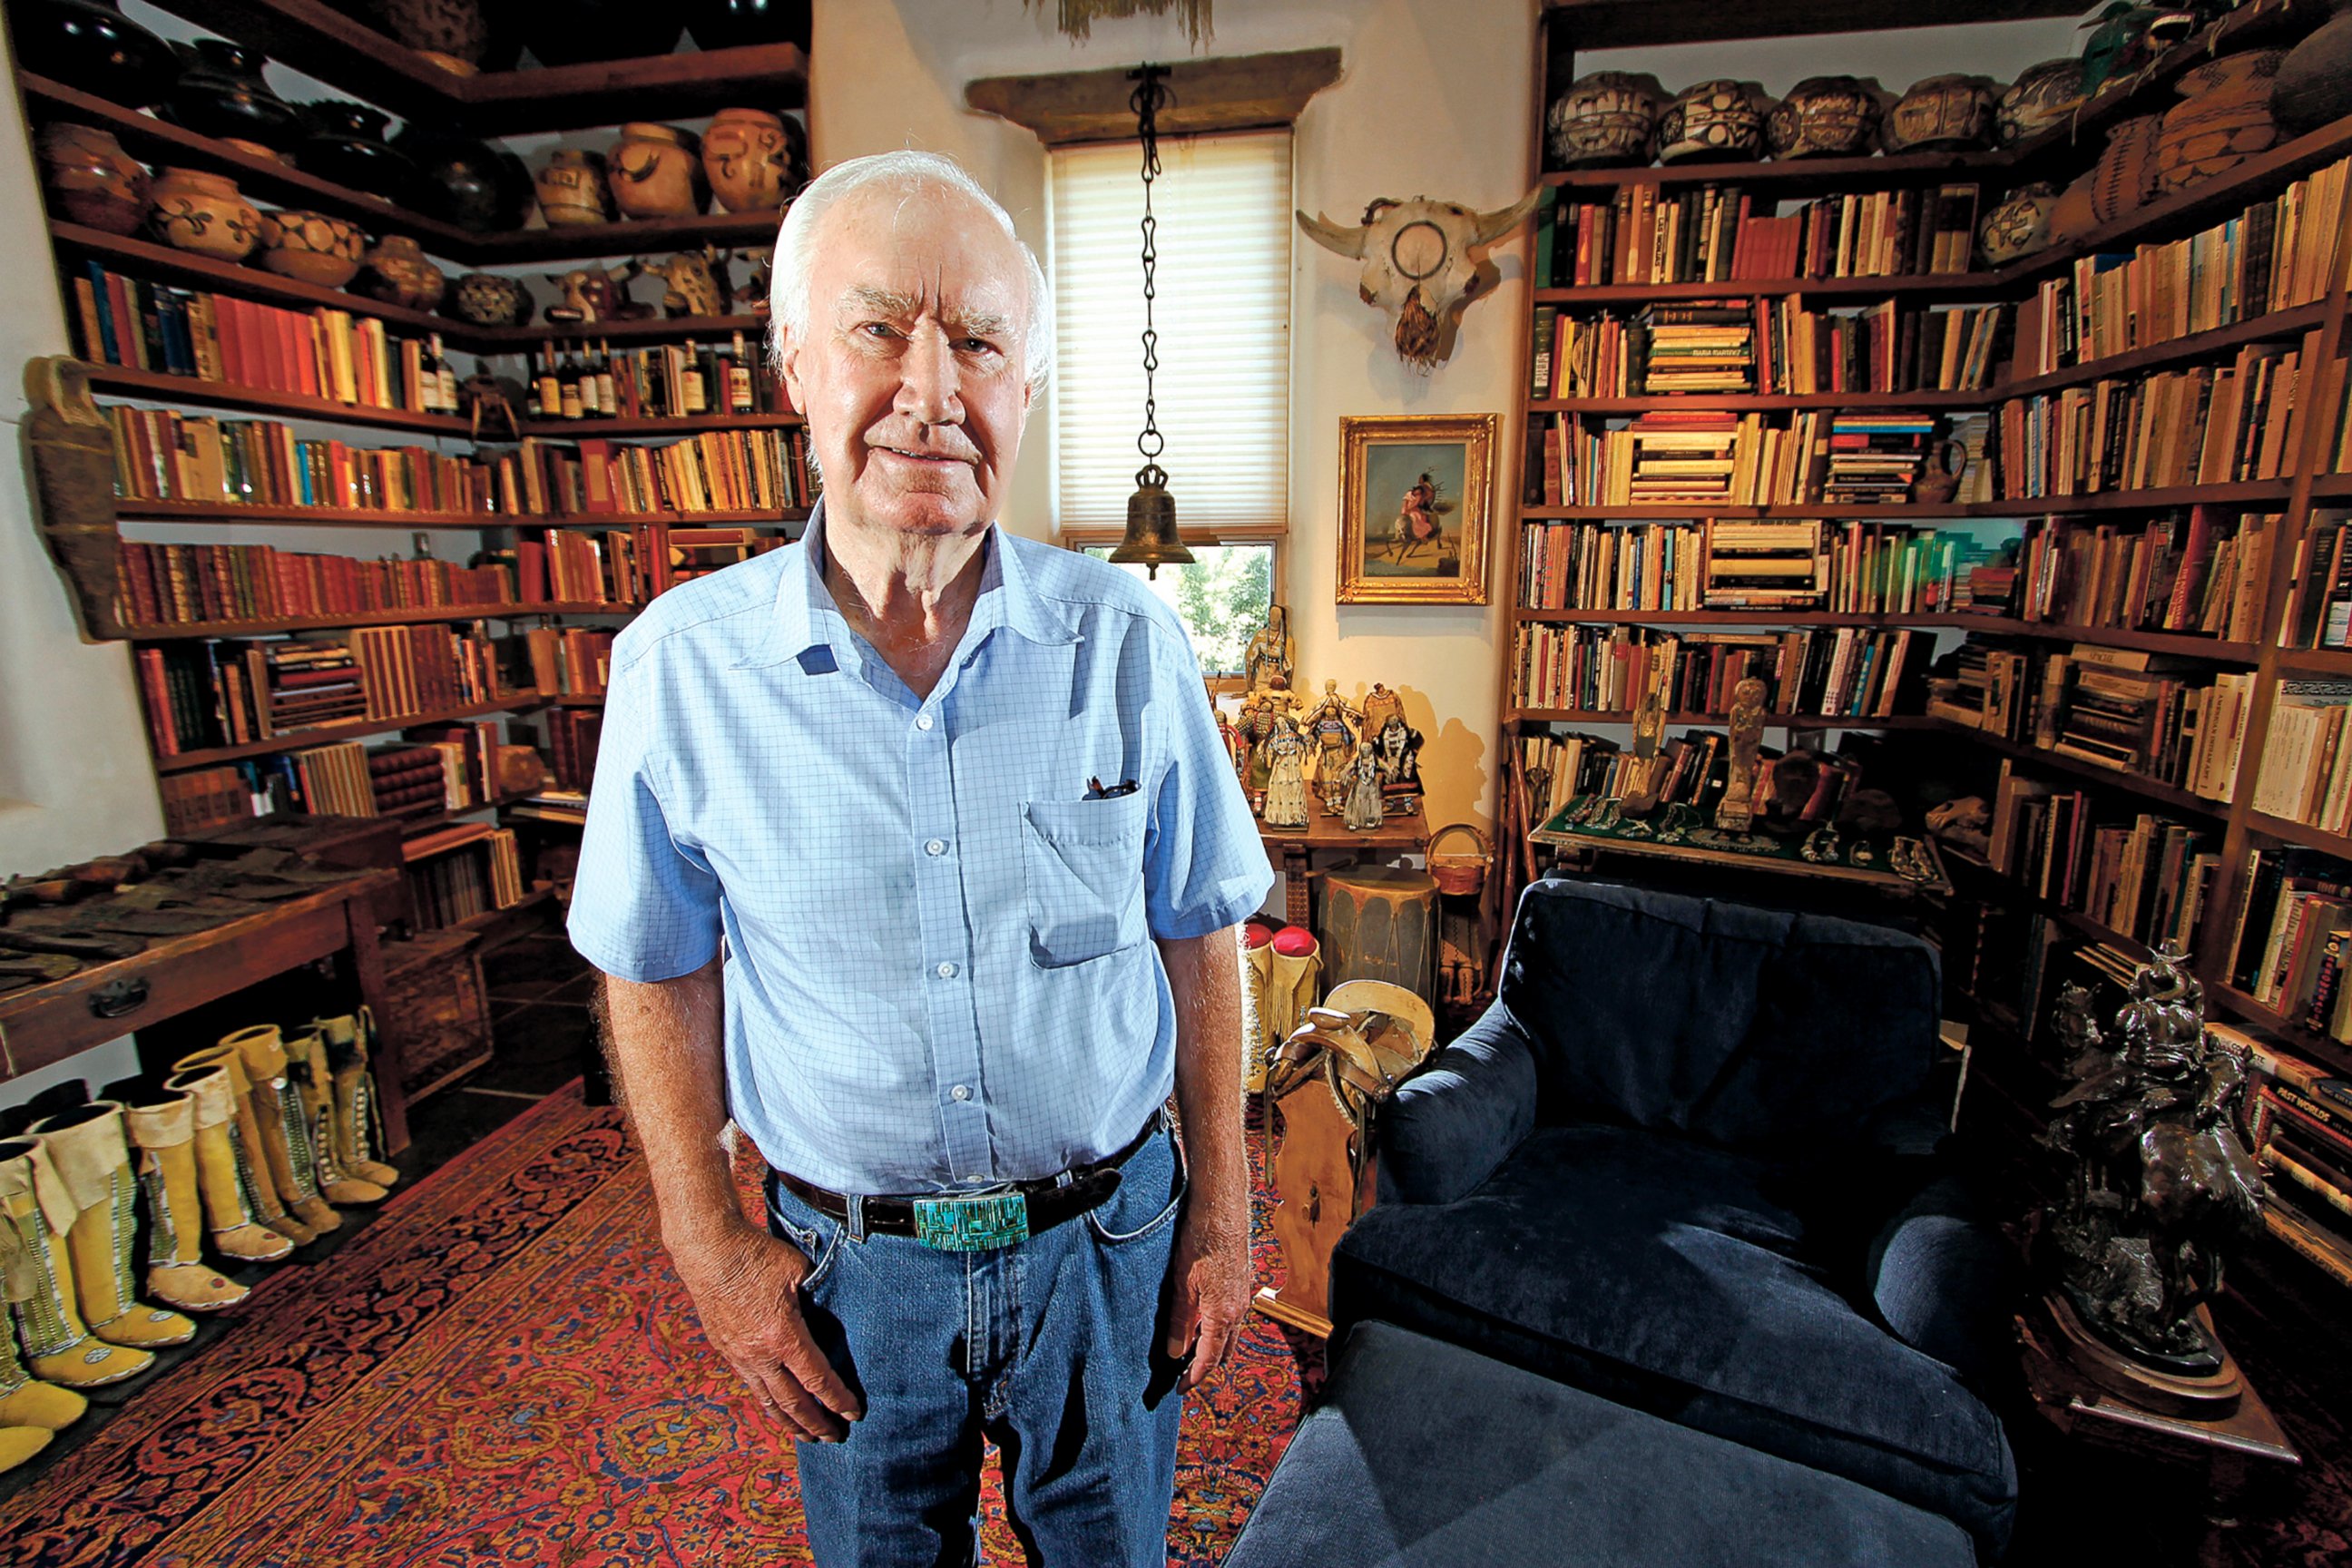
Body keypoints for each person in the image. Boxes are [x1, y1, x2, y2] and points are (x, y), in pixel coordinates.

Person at [567, 149, 1274, 1568]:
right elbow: (654, 971)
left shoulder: (1130, 646)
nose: (933, 392)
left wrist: (1225, 1212)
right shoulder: (680, 672)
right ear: (794, 368)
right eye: (882, 329)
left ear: (1024, 390)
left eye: (983, 343)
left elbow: (1202, 933)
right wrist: (709, 1249)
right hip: (850, 1272)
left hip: (1109, 1247)